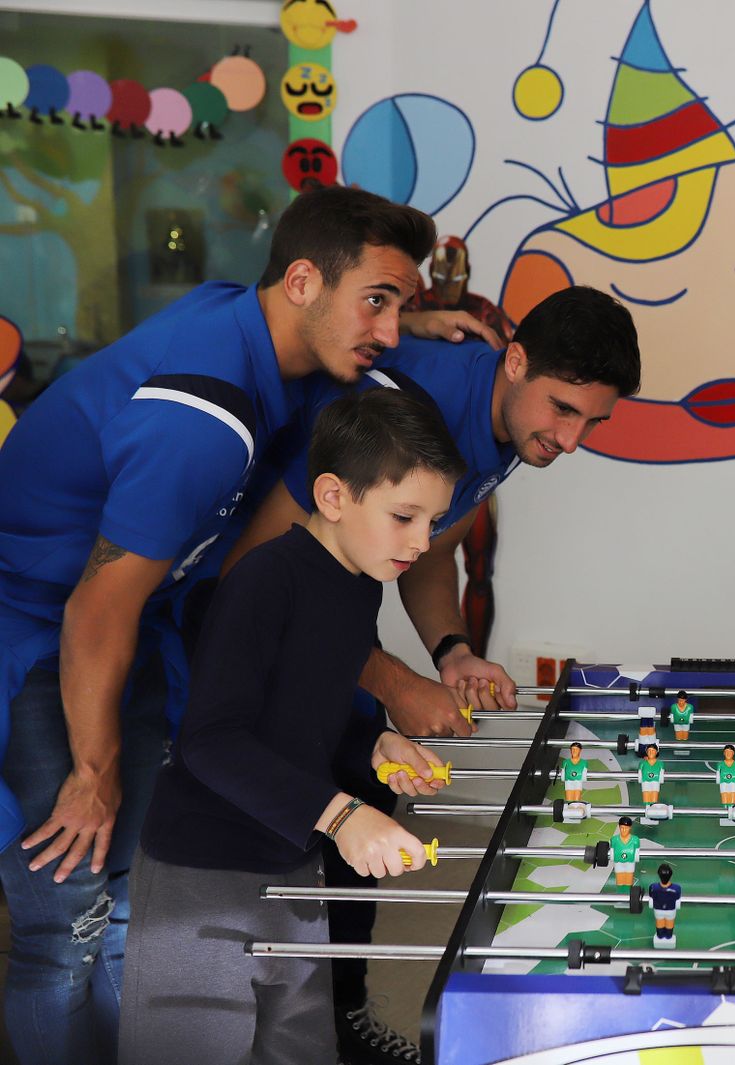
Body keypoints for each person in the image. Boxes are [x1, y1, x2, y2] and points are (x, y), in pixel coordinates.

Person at [0, 184, 437, 1064]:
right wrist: (92, 768)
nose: (391, 331)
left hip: (131, 628)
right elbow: (97, 606)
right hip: (47, 634)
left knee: (130, 912)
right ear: (305, 281)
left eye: (405, 306)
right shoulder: (203, 412)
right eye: (378, 301)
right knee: (65, 925)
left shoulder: (248, 323)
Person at [219, 282, 640, 1057]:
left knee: (363, 790)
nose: (573, 439)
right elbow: (257, 575)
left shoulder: (510, 427)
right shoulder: (400, 406)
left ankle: (341, 1021)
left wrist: (450, 651)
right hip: (235, 652)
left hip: (331, 633)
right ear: (513, 361)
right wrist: (388, 680)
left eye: (592, 419)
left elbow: (433, 550)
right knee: (274, 836)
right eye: (562, 408)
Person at [118, 388, 461, 1063]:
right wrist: (340, 815)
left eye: (435, 521)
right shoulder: (264, 580)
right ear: (333, 496)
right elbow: (211, 741)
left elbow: (304, 714)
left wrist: (374, 742)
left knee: (300, 1046)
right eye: (405, 516)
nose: (423, 542)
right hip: (204, 874)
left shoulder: (359, 582)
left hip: (291, 864)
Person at [648, 863, 681, 948]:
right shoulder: (676, 888)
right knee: (669, 924)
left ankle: (660, 936)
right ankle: (668, 936)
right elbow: (677, 898)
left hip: (658, 911)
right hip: (671, 911)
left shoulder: (653, 887)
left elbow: (651, 896)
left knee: (660, 924)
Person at [611, 815, 641, 887]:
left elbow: (637, 852)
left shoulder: (635, 840)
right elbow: (612, 852)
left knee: (628, 883)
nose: (624, 830)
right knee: (619, 883)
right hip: (618, 863)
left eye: (626, 828)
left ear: (630, 828)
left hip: (630, 863)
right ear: (619, 827)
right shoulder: (614, 840)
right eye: (622, 828)